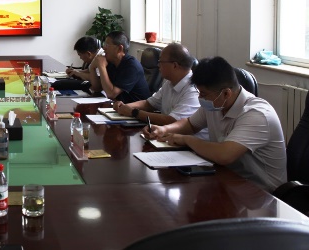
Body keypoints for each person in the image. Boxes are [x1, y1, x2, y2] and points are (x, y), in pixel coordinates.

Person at [145, 56, 287, 192]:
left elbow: (224, 155)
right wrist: (164, 130)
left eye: (203, 94)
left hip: (262, 193)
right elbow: (190, 124)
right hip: (227, 180)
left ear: (226, 93)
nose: (200, 98)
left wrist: (187, 140)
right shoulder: (216, 104)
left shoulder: (257, 114)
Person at [112, 43, 207, 138]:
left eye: (161, 62)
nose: (158, 65)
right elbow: (149, 104)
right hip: (168, 136)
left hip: (190, 143)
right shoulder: (169, 83)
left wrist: (134, 112)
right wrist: (125, 107)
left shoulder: (193, 90)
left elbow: (172, 120)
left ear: (174, 65)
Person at [89, 31, 151, 103]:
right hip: (120, 106)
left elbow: (111, 94)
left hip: (135, 108)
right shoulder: (111, 61)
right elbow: (97, 88)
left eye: (107, 45)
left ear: (119, 48)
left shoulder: (132, 66)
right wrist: (92, 68)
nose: (104, 48)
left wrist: (102, 67)